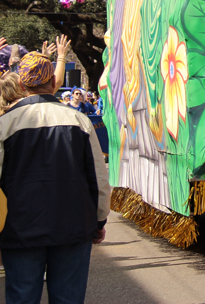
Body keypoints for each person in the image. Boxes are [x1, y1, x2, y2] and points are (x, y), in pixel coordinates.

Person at [0, 52, 110, 304]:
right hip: (73, 225)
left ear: (21, 85)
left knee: (21, 296)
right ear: (53, 83)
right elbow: (98, 177)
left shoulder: (5, 125)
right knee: (68, 298)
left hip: (19, 228)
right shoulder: (80, 121)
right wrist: (100, 219)